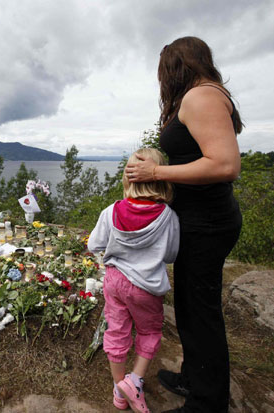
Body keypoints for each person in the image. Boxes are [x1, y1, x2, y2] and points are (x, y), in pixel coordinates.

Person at [124, 36, 243, 413]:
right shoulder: (199, 96)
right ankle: (194, 376)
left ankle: (208, 403)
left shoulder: (202, 96)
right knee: (190, 306)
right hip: (199, 222)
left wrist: (155, 170)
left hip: (209, 224)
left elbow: (225, 165)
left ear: (177, 67)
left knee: (201, 311)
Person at [88, 148, 180, 413]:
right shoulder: (168, 217)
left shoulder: (111, 211)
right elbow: (172, 255)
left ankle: (119, 389)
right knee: (149, 331)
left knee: (117, 330)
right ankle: (135, 380)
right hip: (146, 286)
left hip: (115, 281)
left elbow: (95, 244)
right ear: (161, 179)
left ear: (128, 179)